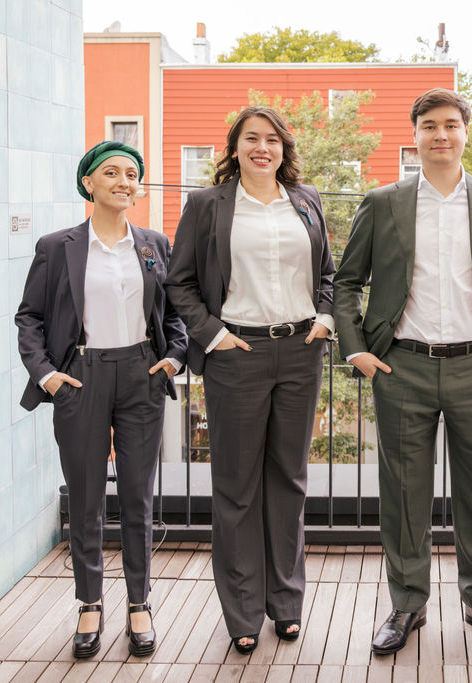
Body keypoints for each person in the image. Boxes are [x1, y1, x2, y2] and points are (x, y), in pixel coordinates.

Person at [333, 88, 472, 656]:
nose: (440, 135)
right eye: (429, 125)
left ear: (465, 131)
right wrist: (357, 351)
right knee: (403, 494)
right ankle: (406, 605)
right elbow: (346, 283)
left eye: (450, 124)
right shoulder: (383, 202)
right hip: (403, 367)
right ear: (415, 134)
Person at [165, 106, 334, 654]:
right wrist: (213, 335)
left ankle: (285, 604)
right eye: (251, 139)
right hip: (237, 353)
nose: (263, 148)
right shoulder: (207, 205)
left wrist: (326, 319)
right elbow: (180, 283)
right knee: (236, 488)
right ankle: (241, 613)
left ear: (284, 149)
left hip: (301, 351)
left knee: (288, 480)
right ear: (234, 147)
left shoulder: (305, 202)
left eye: (273, 140)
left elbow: (329, 274)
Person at [15, 141, 188, 658]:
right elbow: (31, 317)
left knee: (138, 496)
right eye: (110, 172)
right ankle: (89, 602)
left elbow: (176, 314)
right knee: (86, 498)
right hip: (80, 377)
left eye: (131, 173)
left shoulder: (154, 243)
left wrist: (174, 358)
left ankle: (140, 603)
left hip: (141, 374)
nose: (123, 180)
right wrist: (46, 375)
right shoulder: (57, 245)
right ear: (88, 183)